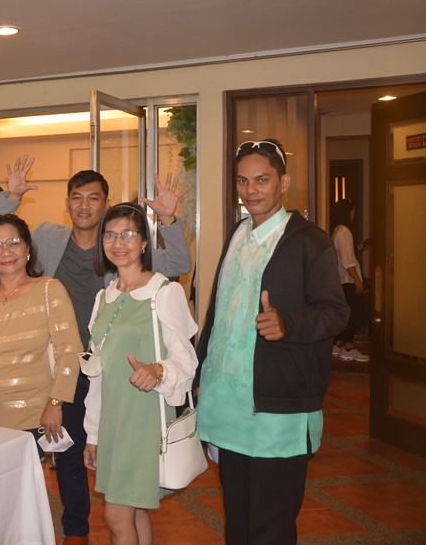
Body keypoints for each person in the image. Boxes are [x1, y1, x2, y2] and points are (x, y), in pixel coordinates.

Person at [0, 154, 192, 545]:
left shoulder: (123, 254)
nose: (84, 205)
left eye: (94, 198)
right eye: (77, 197)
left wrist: (169, 220)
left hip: (120, 377)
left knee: (121, 497)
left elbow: (179, 263)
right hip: (66, 367)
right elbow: (3, 240)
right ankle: (76, 531)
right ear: (67, 203)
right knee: (70, 452)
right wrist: (10, 198)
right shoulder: (49, 238)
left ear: (106, 203)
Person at [196, 139, 349, 544]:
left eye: (262, 180)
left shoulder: (309, 241)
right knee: (238, 519)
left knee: (272, 525)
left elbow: (336, 312)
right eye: (243, 181)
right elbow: (218, 312)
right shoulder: (238, 233)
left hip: (277, 410)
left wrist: (289, 324)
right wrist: (196, 375)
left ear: (284, 182)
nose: (251, 190)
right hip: (228, 406)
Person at [81, 203, 198, 545]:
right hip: (113, 421)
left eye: (128, 234)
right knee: (135, 509)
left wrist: (158, 370)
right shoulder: (104, 297)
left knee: (116, 515)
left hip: (144, 420)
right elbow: (97, 373)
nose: (118, 243)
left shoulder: (164, 292)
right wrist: (92, 434)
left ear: (145, 242)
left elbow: (187, 361)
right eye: (110, 235)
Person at [0, 214, 81, 447]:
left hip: (38, 417)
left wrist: (55, 404)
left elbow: (70, 351)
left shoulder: (49, 290)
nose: (6, 252)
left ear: (28, 248)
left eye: (14, 243)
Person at [329, 199, 369, 362]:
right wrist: (358, 280)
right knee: (352, 314)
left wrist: (358, 248)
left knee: (343, 313)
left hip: (340, 280)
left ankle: (338, 345)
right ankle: (348, 347)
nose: (354, 215)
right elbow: (347, 260)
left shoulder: (336, 230)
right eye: (353, 211)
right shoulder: (345, 231)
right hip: (347, 280)